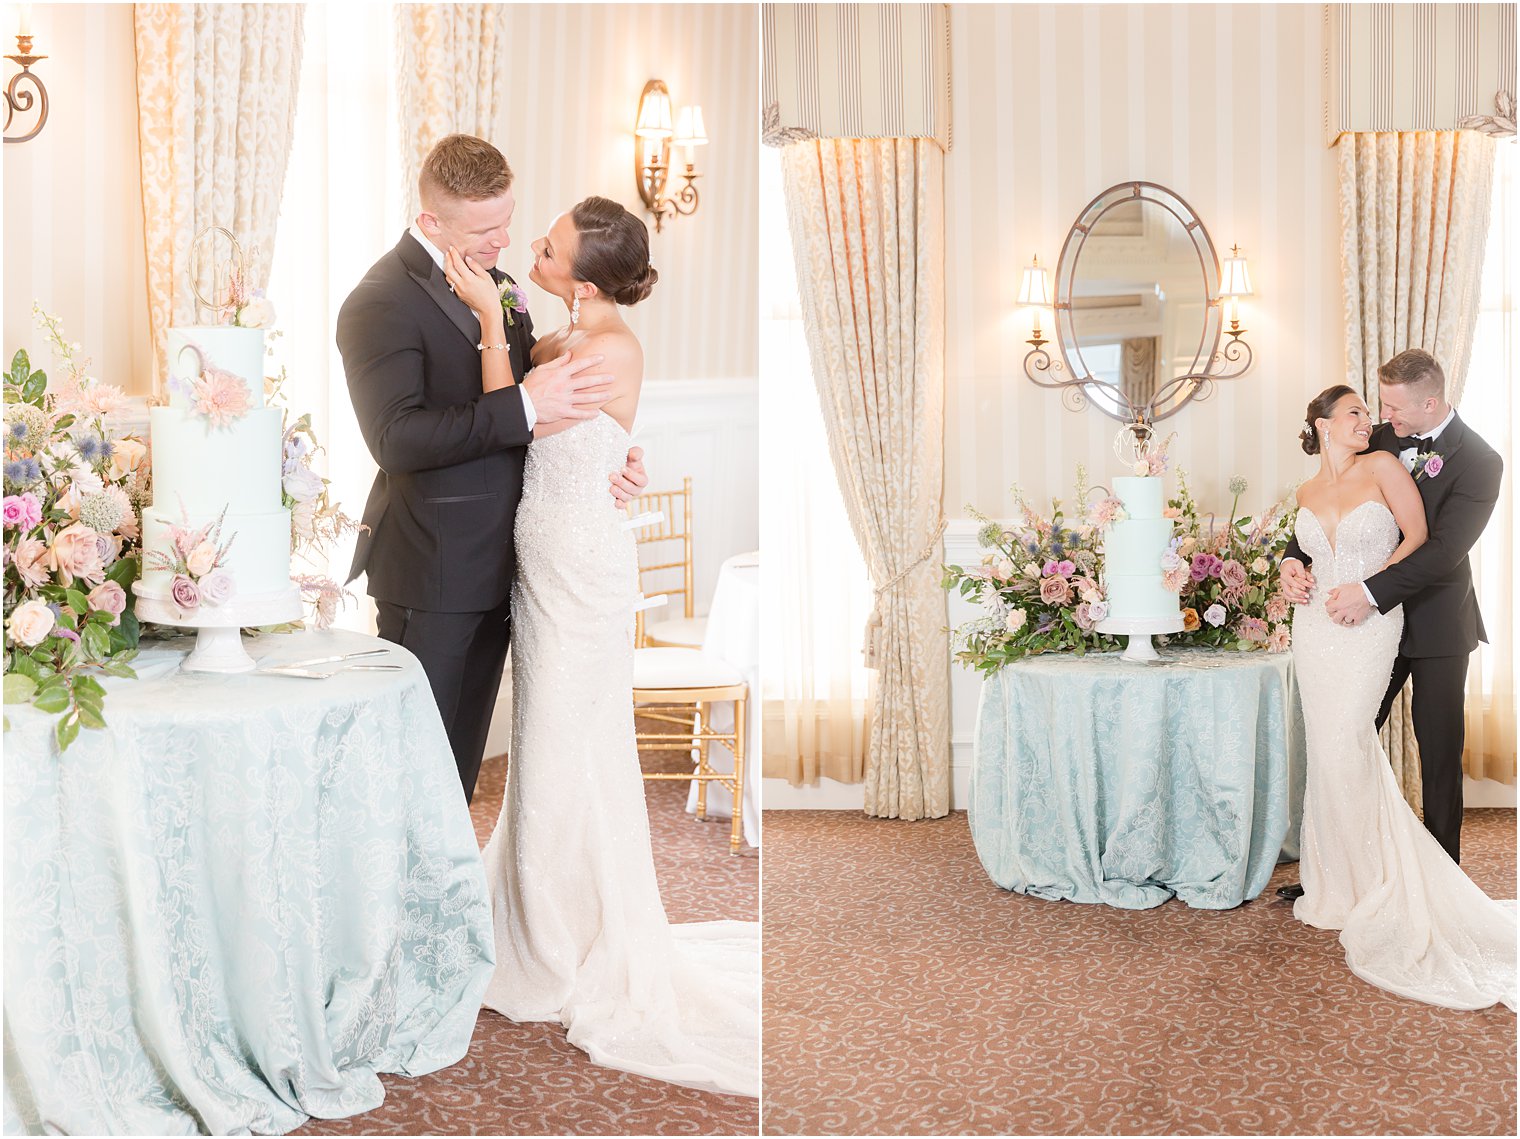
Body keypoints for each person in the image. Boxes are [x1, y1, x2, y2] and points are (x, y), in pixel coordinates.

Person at [444, 196, 760, 1096]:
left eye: (545, 249)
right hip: (547, 556)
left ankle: (556, 937)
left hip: (580, 564)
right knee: (556, 739)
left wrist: (483, 319)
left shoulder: (608, 347)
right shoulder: (572, 332)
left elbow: (514, 410)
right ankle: (537, 914)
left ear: (579, 282)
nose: (532, 253)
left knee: (562, 747)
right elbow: (539, 397)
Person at [337, 135, 648, 803]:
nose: (503, 242)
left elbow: (560, 413)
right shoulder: (378, 302)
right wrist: (523, 408)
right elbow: (397, 438)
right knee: (413, 777)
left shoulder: (502, 288)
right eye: (485, 229)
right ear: (431, 222)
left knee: (458, 778)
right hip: (434, 572)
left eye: (507, 222)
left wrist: (615, 458)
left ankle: (445, 908)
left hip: (517, 564)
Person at [1280, 382, 1513, 1010]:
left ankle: (1437, 878)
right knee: (1341, 746)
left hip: (1429, 620)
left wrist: (1373, 592)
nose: (1382, 417)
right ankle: (1339, 868)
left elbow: (1440, 548)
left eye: (1391, 406)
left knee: (1438, 751)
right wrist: (1289, 563)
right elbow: (1308, 526)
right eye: (1370, 407)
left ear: (1428, 402)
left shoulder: (1481, 459)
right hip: (1339, 624)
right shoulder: (1377, 442)